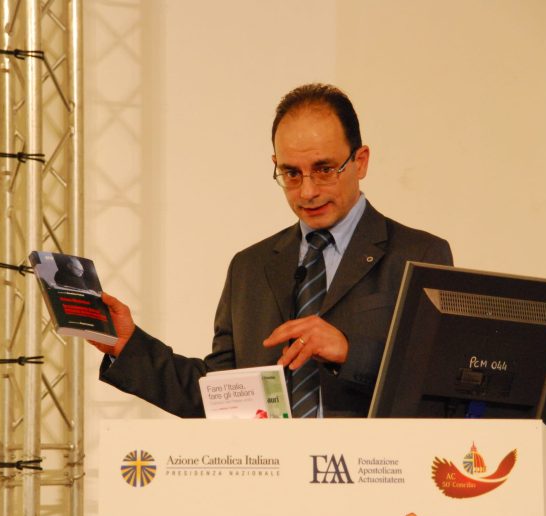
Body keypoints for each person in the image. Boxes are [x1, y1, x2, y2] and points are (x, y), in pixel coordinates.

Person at [92, 83, 452, 418]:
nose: (307, 191)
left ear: (360, 162)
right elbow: (219, 395)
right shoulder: (250, 267)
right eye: (291, 173)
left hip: (375, 464)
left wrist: (348, 351)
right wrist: (129, 346)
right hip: (271, 465)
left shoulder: (419, 254)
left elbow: (440, 386)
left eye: (324, 169)